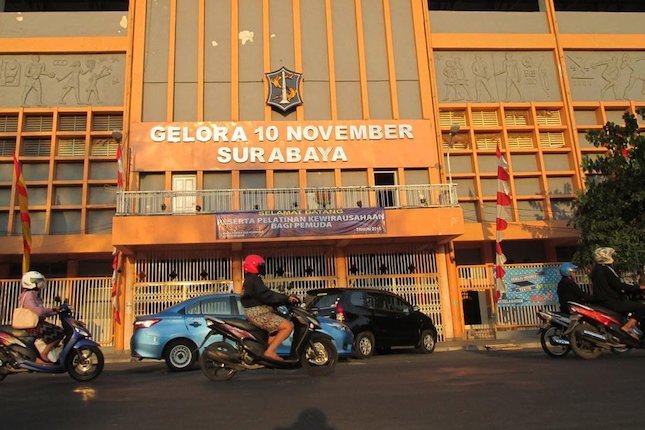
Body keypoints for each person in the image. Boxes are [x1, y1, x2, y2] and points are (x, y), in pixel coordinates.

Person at [240, 254, 299, 361]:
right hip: (258, 313)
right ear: (253, 266)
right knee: (287, 326)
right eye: (260, 265)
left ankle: (262, 350)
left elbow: (265, 295)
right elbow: (267, 295)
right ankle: (270, 352)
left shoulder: (251, 279)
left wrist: (282, 299)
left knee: (276, 331)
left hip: (256, 312)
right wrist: (286, 298)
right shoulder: (254, 280)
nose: (262, 268)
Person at [590, 247, 645, 339]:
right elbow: (618, 285)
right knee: (642, 307)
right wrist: (638, 287)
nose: (613, 258)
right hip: (612, 301)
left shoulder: (595, 270)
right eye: (611, 255)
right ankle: (627, 327)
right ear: (606, 256)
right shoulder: (606, 269)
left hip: (603, 300)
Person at [17, 271, 65, 363]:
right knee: (59, 332)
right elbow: (37, 310)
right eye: (38, 281)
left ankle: (47, 353)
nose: (41, 283)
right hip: (32, 325)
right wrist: (51, 309)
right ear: (30, 282)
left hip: (37, 323)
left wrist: (55, 311)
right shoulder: (28, 295)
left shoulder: (34, 294)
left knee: (58, 331)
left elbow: (42, 311)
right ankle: (44, 354)